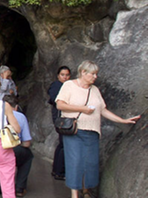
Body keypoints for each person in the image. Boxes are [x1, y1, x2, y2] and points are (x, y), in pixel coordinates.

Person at [55, 61, 140, 198]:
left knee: (90, 162)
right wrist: (82, 109)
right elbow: (60, 105)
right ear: (83, 72)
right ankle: (74, 193)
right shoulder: (69, 85)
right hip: (75, 131)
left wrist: (123, 120)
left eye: (96, 74)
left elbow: (103, 110)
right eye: (92, 74)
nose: (95, 77)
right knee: (75, 162)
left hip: (92, 131)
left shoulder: (94, 90)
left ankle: (86, 189)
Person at [0, 95, 33, 197]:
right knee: (28, 156)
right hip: (13, 148)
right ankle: (19, 187)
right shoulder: (20, 117)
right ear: (16, 107)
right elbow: (27, 143)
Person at [47, 65, 71, 181]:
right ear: (58, 76)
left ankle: (57, 170)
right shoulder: (57, 86)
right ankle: (59, 171)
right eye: (63, 75)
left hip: (62, 117)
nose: (65, 77)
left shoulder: (67, 86)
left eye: (67, 75)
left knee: (61, 144)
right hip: (60, 118)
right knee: (63, 143)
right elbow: (54, 99)